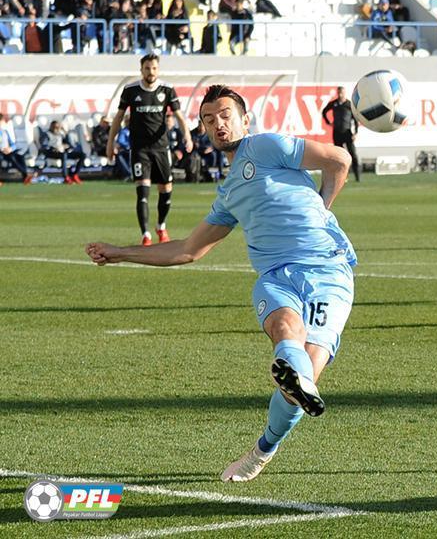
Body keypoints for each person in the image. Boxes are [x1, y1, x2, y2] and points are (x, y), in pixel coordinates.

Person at [85, 84, 356, 483]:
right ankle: (293, 383)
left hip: (327, 271)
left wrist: (321, 205)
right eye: (209, 120)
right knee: (286, 333)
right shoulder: (228, 194)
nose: (218, 125)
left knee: (304, 377)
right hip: (275, 277)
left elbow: (339, 159)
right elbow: (187, 250)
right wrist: (119, 252)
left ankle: (263, 449)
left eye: (226, 116)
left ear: (245, 119)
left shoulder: (267, 145)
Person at [108, 54, 192, 246]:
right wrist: (110, 142)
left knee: (166, 190)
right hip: (140, 149)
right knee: (143, 191)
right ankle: (146, 234)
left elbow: (179, 116)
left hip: (161, 148)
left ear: (158, 69)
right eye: (147, 68)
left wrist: (187, 136)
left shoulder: (167, 89)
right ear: (141, 70)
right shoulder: (130, 90)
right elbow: (118, 117)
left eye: (154, 68)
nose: (151, 72)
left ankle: (161, 226)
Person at [322, 86, 360, 182]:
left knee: (353, 154)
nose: (340, 94)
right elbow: (324, 111)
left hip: (347, 132)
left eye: (342, 93)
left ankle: (357, 176)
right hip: (337, 132)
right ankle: (343, 176)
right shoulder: (334, 103)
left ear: (344, 93)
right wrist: (328, 122)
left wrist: (355, 133)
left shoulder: (349, 104)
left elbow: (355, 120)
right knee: (339, 156)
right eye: (339, 93)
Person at [0, 113, 34, 184]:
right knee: (12, 157)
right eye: (2, 120)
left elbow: (13, 144)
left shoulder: (5, 132)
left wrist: (10, 149)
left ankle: (25, 177)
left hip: (7, 152)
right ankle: (26, 175)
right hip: (1, 152)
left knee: (20, 155)